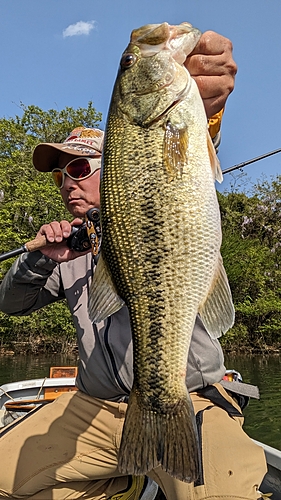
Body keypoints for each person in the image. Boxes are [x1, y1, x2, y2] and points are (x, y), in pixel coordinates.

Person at [0, 31, 267, 500]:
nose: (67, 183)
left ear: (120, 162)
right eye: (60, 174)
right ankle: (118, 479)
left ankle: (127, 473)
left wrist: (209, 110)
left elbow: (184, 149)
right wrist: (38, 261)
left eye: (79, 169)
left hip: (191, 400)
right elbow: (11, 304)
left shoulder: (160, 175)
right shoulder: (65, 248)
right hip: (94, 408)